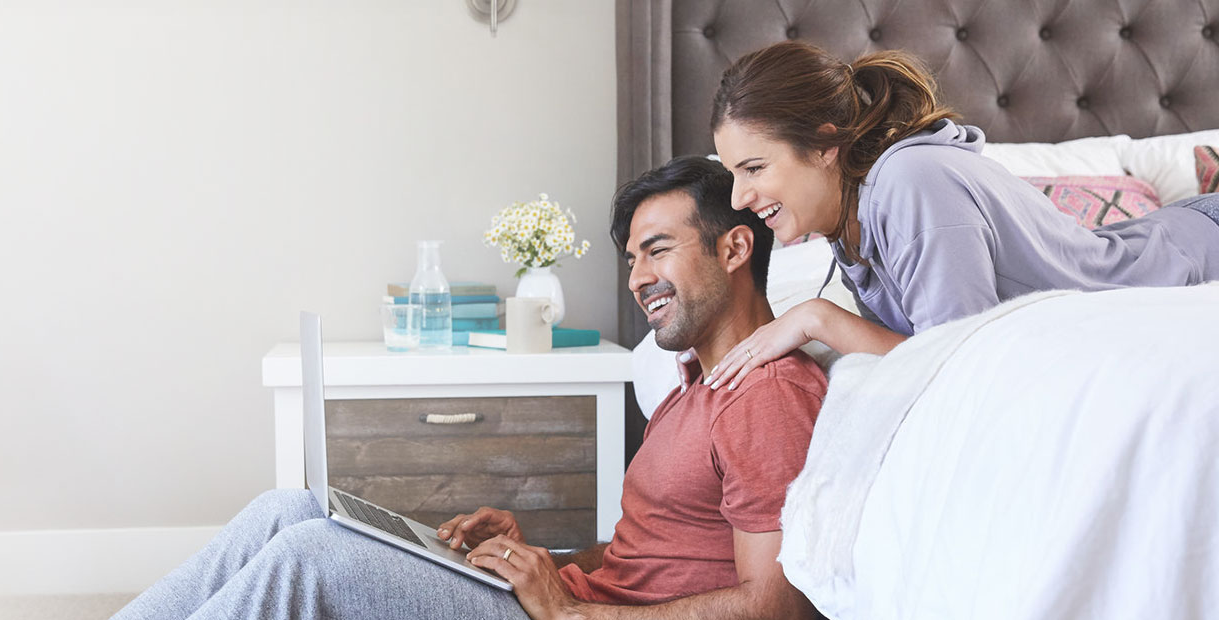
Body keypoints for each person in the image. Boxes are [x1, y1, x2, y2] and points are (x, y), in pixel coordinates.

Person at [110, 155, 827, 620]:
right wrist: (542, 555)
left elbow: (778, 603)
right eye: (632, 258)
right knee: (289, 509)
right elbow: (652, 554)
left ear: (735, 248)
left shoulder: (764, 395)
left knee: (313, 558)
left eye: (659, 250)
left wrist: (572, 610)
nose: (638, 277)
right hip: (561, 599)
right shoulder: (693, 384)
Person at [702, 40, 1219, 390]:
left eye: (754, 168)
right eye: (734, 174)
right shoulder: (849, 221)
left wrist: (817, 318)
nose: (738, 198)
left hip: (1197, 255)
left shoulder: (913, 180)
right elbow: (922, 352)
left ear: (824, 145)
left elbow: (954, 360)